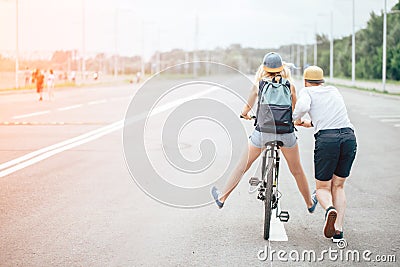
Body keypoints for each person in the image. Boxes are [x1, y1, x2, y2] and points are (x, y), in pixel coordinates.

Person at [211, 52, 317, 213]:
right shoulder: (290, 86)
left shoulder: (259, 85)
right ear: (281, 68)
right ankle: (310, 203)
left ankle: (222, 198)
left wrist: (245, 115)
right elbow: (295, 115)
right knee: (297, 170)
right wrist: (303, 124)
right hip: (286, 134)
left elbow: (246, 109)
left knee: (242, 166)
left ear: (264, 68)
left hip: (263, 133)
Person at [293, 66, 357, 242]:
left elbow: (304, 106)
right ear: (322, 81)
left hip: (327, 140)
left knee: (322, 187)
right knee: (339, 186)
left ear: (306, 81)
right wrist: (311, 123)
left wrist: (295, 119)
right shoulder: (333, 91)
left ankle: (329, 209)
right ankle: (338, 230)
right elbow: (330, 116)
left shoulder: (306, 91)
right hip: (349, 137)